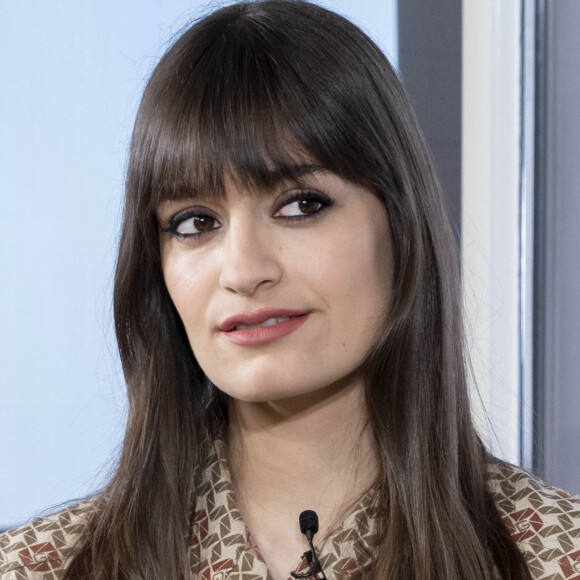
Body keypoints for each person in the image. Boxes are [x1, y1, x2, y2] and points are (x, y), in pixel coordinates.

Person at [1, 1, 579, 579]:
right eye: (196, 222)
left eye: (302, 205)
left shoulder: (560, 557)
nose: (244, 269)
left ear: (402, 226)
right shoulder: (32, 568)